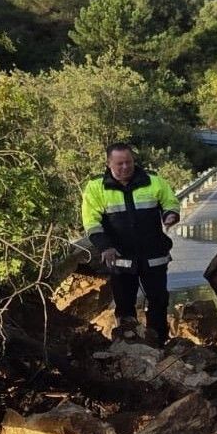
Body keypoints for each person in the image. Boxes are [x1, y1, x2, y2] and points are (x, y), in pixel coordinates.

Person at [80, 142, 180, 344]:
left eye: (128, 162)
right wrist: (105, 247)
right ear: (109, 164)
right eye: (119, 164)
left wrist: (170, 215)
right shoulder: (96, 187)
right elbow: (91, 222)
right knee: (125, 304)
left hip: (154, 255)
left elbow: (170, 202)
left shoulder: (153, 181)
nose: (125, 167)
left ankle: (158, 342)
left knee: (158, 300)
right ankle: (129, 344)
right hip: (121, 258)